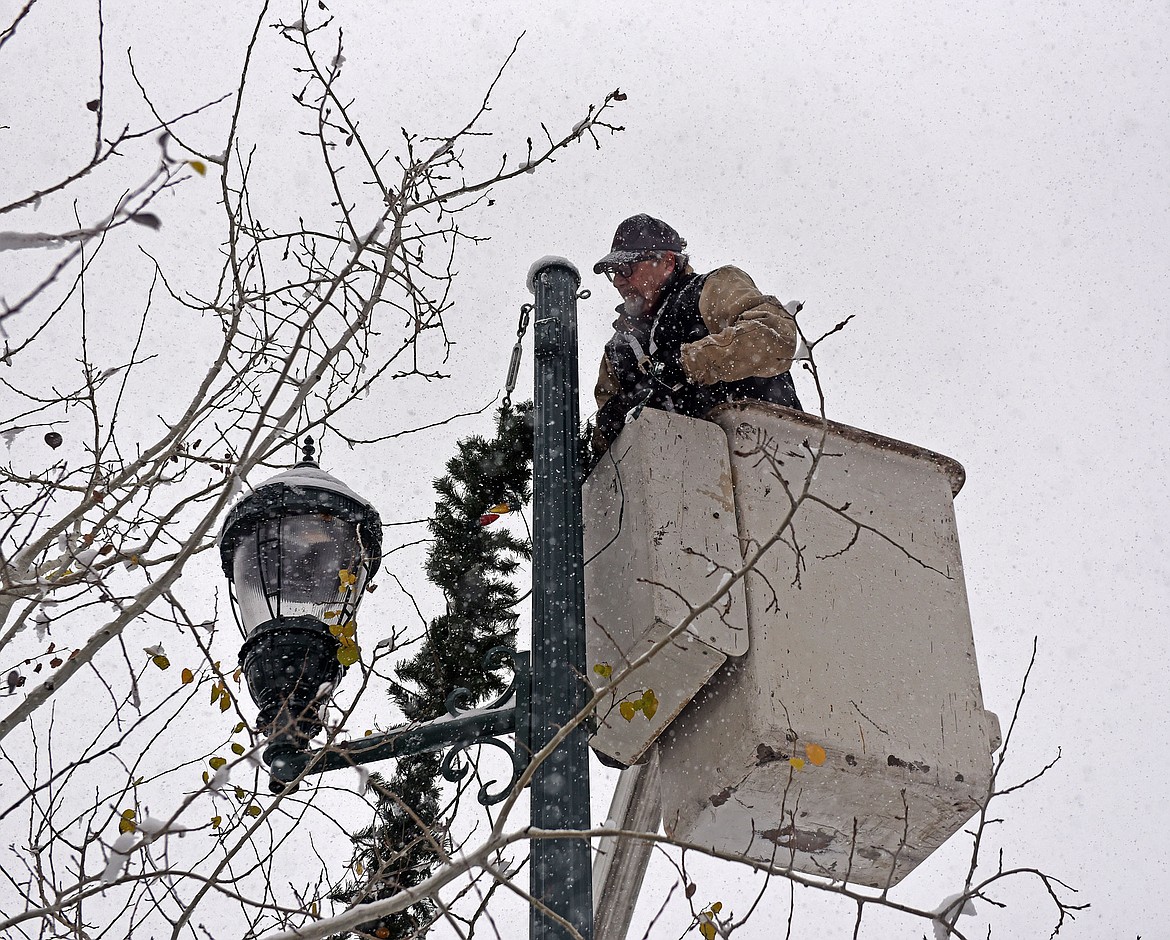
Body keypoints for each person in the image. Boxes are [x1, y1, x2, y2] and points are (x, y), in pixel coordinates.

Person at [590, 214, 804, 457]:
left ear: (668, 262)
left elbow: (774, 337)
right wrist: (609, 426)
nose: (618, 281)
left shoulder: (710, 289)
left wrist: (685, 363)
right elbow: (607, 462)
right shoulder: (617, 352)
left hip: (771, 460)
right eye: (613, 272)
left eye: (626, 269)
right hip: (677, 481)